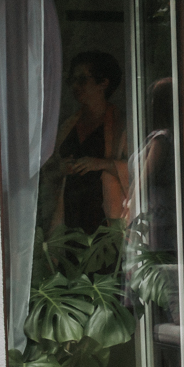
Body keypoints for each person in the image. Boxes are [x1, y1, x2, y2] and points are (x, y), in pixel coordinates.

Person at [50, 50, 130, 232]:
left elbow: (138, 170)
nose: (75, 86)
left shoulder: (121, 124)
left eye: (82, 79)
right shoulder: (68, 125)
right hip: (69, 218)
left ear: (104, 83)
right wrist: (61, 168)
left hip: (104, 220)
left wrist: (100, 164)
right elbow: (50, 171)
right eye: (72, 80)